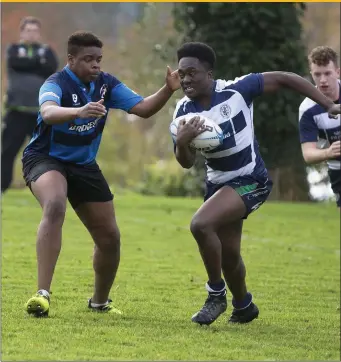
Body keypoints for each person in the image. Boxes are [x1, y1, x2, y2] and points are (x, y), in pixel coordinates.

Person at [171, 42, 341, 326]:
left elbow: (286, 78)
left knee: (200, 225)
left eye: (192, 72)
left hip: (252, 179)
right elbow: (186, 162)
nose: (186, 79)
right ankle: (243, 305)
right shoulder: (182, 112)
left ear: (209, 73)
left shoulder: (238, 90)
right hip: (218, 185)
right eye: (182, 74)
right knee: (229, 255)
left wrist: (327, 104)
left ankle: (215, 295)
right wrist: (182, 141)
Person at [23, 31, 180, 317]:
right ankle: (42, 294)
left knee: (109, 237)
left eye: (99, 59)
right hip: (45, 158)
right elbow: (48, 113)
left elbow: (143, 108)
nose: (95, 65)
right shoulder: (55, 83)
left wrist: (168, 89)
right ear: (71, 59)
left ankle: (99, 302)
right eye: (88, 60)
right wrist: (78, 111)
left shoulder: (106, 84)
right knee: (55, 203)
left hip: (84, 164)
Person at [1, 16, 58, 193]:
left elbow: (51, 67)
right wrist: (36, 65)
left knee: (45, 153)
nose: (31, 34)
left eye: (34, 31)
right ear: (22, 32)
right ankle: (3, 186)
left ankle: (46, 187)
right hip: (16, 110)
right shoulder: (14, 49)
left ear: (39, 33)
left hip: (40, 112)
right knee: (8, 151)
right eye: (28, 30)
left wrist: (31, 65)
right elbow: (16, 63)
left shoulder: (47, 51)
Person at [299, 46, 340, 207]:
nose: (322, 80)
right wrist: (328, 152)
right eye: (317, 74)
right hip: (338, 169)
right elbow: (308, 154)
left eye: (327, 73)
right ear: (311, 75)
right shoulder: (307, 109)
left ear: (338, 72)